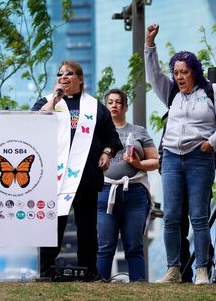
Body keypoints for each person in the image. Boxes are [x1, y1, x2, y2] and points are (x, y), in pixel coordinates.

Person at [144, 23, 216, 286]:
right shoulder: (171, 92)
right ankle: (173, 269)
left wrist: (212, 142)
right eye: (176, 73)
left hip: (199, 158)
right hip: (172, 158)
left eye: (184, 72)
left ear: (195, 72)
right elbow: (153, 75)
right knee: (172, 215)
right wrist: (150, 45)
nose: (180, 77)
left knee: (198, 215)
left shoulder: (212, 91)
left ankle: (202, 270)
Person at [32, 61, 121, 281]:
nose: (63, 77)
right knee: (54, 223)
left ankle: (89, 270)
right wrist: (54, 99)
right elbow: (33, 124)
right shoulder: (47, 101)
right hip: (55, 176)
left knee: (87, 226)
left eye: (68, 74)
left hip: (86, 175)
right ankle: (45, 269)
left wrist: (106, 153)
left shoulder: (94, 106)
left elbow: (112, 138)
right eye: (60, 74)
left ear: (80, 79)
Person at [96, 88, 159, 282]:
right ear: (105, 107)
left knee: (134, 245)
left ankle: (138, 286)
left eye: (118, 102)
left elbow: (156, 161)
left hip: (135, 192)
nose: (114, 105)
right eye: (110, 102)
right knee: (105, 245)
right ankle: (99, 288)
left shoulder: (138, 131)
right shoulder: (97, 132)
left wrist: (138, 164)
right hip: (106, 191)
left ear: (125, 106)